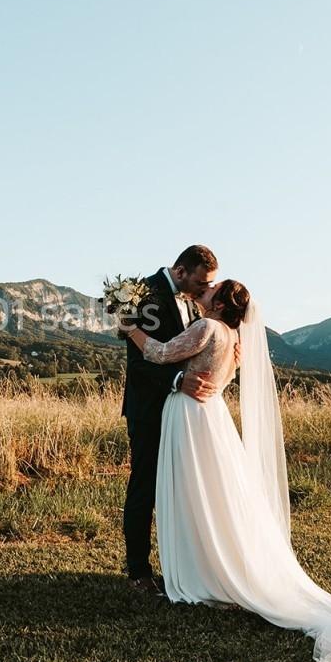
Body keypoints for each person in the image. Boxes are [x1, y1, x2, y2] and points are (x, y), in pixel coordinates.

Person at [120, 279, 331, 662]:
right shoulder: (234, 341)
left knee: (191, 493)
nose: (204, 292)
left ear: (221, 301)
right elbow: (214, 377)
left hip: (189, 417)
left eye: (212, 289)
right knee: (211, 493)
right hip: (211, 417)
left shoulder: (208, 328)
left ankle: (198, 573)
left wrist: (130, 329)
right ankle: (213, 564)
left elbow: (159, 353)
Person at [120, 245, 221, 596]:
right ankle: (138, 572)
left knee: (181, 489)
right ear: (180, 272)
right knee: (144, 486)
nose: (203, 290)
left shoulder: (192, 302)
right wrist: (177, 381)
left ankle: (181, 570)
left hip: (183, 413)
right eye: (200, 282)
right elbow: (138, 362)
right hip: (149, 409)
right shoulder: (145, 296)